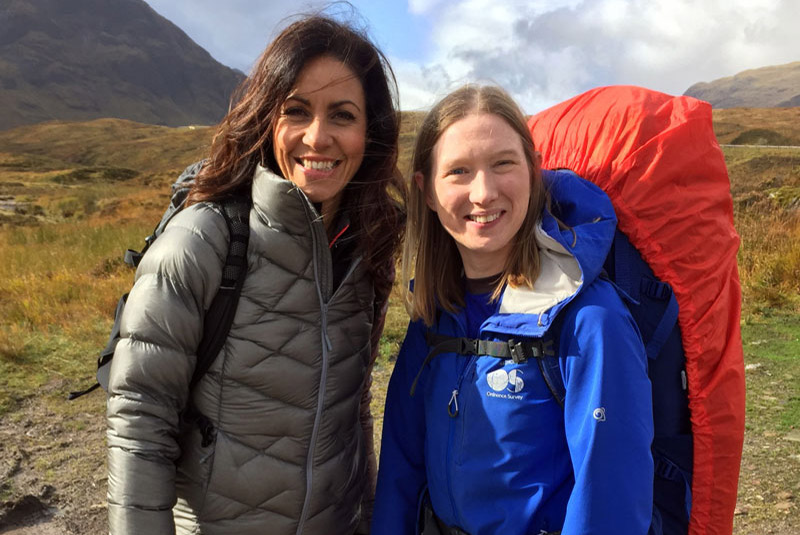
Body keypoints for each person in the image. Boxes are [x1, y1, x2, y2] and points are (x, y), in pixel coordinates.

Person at [105, 13, 405, 535]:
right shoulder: (204, 238)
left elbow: (352, 409)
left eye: (342, 115)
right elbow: (140, 419)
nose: (318, 137)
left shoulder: (367, 252)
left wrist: (369, 520)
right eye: (296, 111)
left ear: (369, 131)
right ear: (267, 118)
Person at [371, 85, 654, 535]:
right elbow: (399, 473)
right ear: (427, 191)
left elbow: (610, 504)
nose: (483, 193)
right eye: (458, 171)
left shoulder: (590, 322)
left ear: (533, 172)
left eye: (503, 163)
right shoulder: (433, 316)